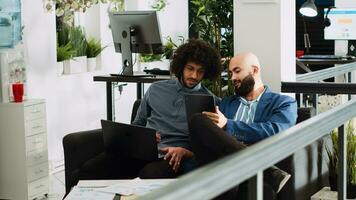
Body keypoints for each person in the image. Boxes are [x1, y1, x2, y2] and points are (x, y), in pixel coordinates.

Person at [189, 52, 298, 199]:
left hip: (248, 172)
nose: (232, 78)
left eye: (237, 71)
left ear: (254, 70)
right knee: (198, 120)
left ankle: (256, 167)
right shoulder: (226, 103)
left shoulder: (283, 102)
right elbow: (213, 138)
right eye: (230, 73)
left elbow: (276, 130)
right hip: (222, 164)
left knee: (255, 186)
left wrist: (228, 125)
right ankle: (267, 170)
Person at [131, 39, 221, 178]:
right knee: (93, 166)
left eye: (200, 71)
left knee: (149, 174)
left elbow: (207, 147)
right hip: (143, 150)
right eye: (190, 68)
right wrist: (145, 135)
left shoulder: (210, 101)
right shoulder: (156, 89)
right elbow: (137, 124)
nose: (194, 76)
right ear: (181, 66)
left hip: (172, 157)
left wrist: (186, 152)